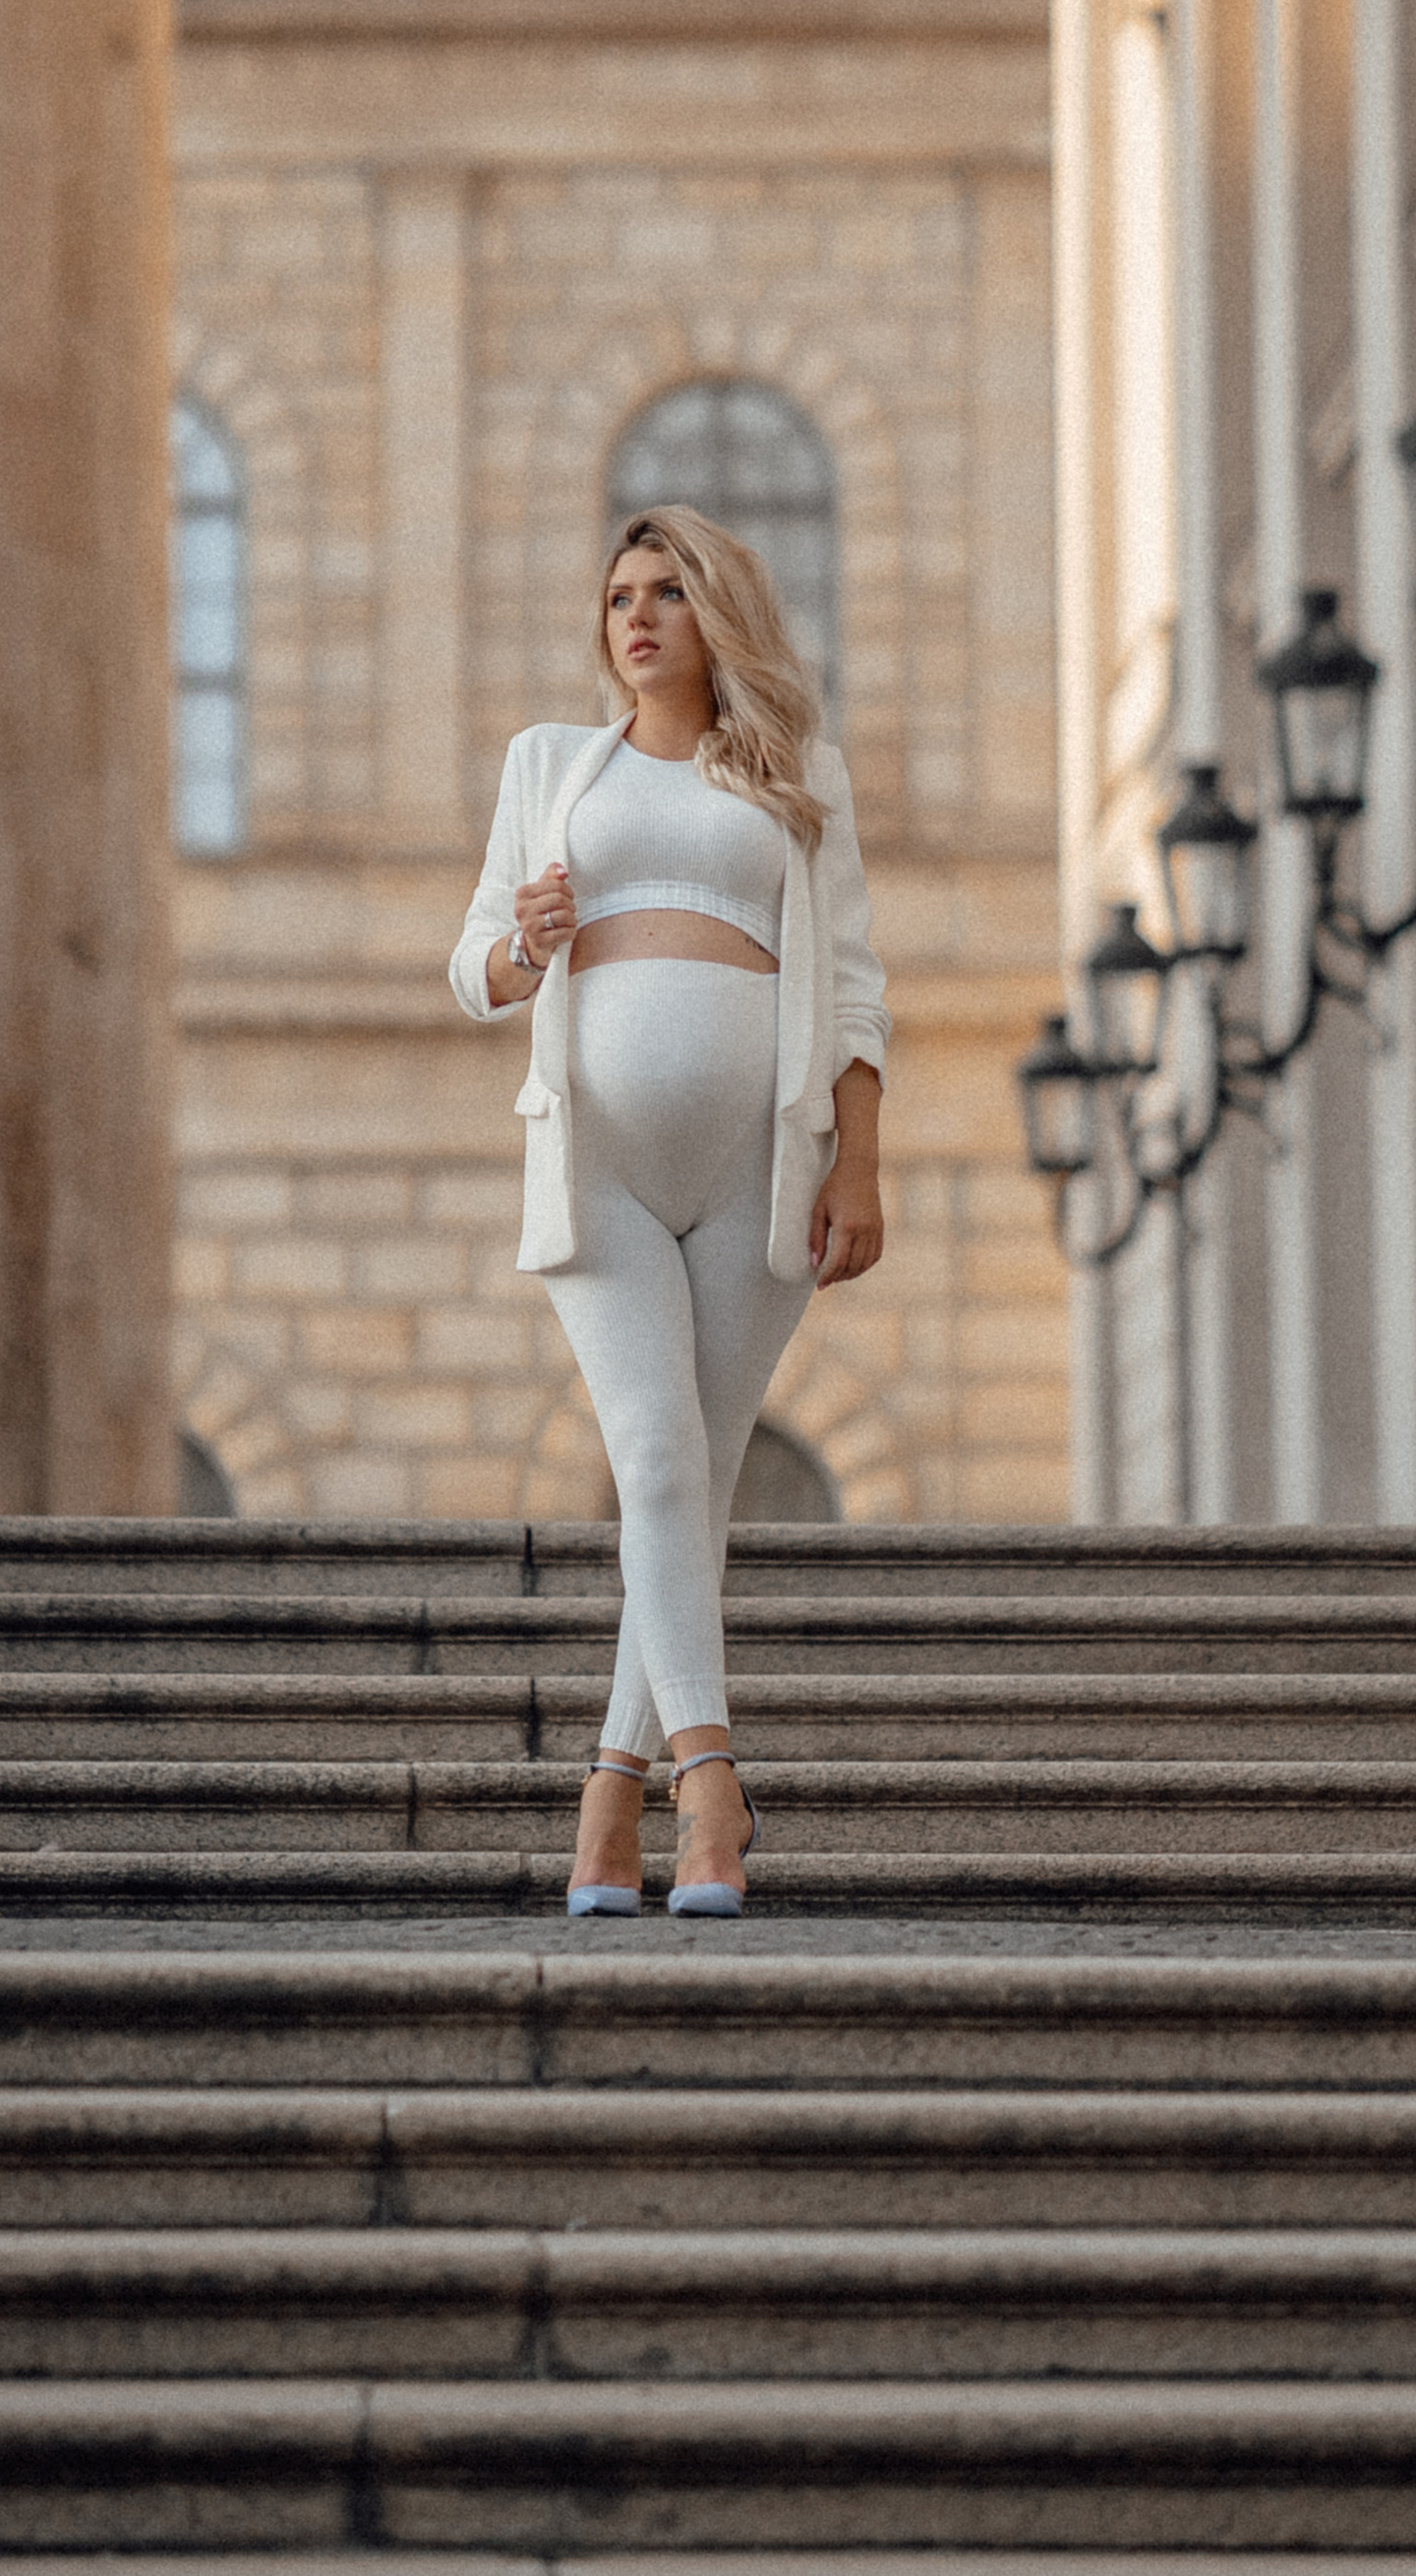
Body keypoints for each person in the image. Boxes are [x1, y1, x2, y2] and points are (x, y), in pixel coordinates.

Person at [449, 505, 888, 1917]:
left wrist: (860, 1164)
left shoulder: (800, 775)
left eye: (667, 593)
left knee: (691, 1484)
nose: (635, 617)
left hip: (763, 1168)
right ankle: (711, 1790)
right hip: (602, 1164)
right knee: (652, 1455)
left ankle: (605, 1806)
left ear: (719, 614)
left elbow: (855, 984)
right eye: (619, 596)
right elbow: (471, 965)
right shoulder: (548, 766)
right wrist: (524, 947)